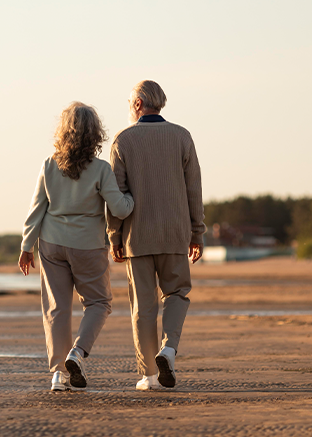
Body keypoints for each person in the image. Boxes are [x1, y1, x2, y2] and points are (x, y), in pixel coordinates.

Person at [19, 102, 134, 392]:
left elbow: (36, 210)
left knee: (57, 309)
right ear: (95, 134)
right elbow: (120, 209)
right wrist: (132, 198)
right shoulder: (100, 170)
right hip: (87, 246)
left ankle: (58, 375)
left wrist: (26, 246)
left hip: (52, 244)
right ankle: (77, 353)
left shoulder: (49, 165)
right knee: (98, 303)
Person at [107, 80, 205, 391]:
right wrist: (197, 232)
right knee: (176, 294)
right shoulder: (181, 136)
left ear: (137, 104)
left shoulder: (123, 140)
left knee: (143, 307)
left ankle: (149, 375)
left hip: (137, 236)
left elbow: (115, 195)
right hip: (175, 232)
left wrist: (114, 238)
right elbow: (194, 190)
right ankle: (169, 350)